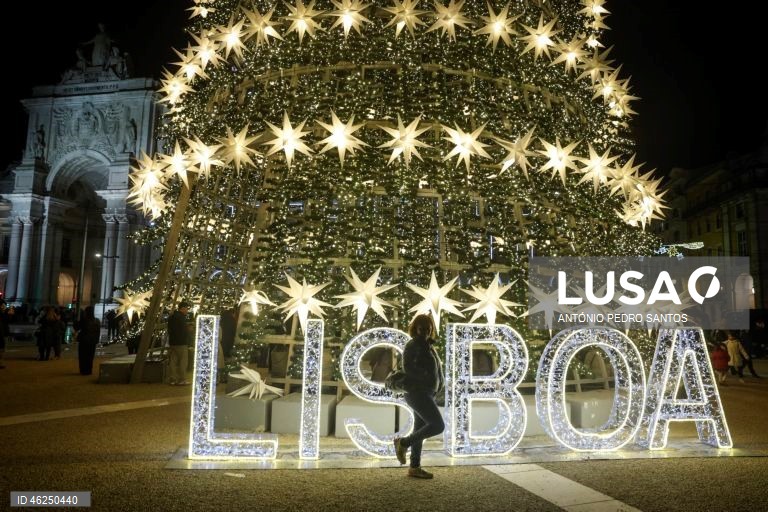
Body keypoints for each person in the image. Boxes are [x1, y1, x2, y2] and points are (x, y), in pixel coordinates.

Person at [393, 314, 445, 479]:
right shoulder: (414, 344)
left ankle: (414, 467)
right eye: (422, 328)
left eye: (428, 328)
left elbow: (437, 369)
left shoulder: (428, 345)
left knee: (419, 428)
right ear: (415, 328)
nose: (426, 331)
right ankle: (403, 443)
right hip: (417, 392)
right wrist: (426, 376)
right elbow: (408, 367)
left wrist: (438, 384)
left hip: (426, 392)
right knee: (438, 425)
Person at [167, 301, 192, 385]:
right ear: (183, 308)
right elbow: (183, 331)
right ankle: (182, 379)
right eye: (187, 309)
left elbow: (170, 329)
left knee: (173, 362)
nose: (187, 311)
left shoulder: (172, 317)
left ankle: (173, 379)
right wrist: (188, 330)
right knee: (183, 361)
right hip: (181, 343)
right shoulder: (181, 318)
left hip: (173, 342)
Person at [77, 306, 101, 375]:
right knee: (90, 356)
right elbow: (98, 332)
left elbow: (76, 327)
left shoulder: (84, 320)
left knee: (82, 356)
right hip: (92, 341)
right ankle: (89, 370)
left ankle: (83, 370)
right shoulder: (97, 321)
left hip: (84, 340)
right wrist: (96, 340)